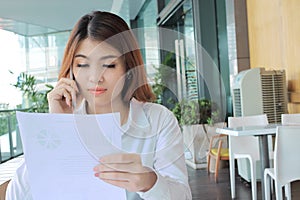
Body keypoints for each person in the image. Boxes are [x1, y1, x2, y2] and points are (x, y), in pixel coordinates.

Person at [5, 11, 192, 200]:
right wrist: (58, 126)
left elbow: (183, 196)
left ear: (128, 68)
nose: (95, 77)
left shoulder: (158, 120)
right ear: (71, 70)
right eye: (82, 65)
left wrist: (150, 183)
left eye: (109, 65)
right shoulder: (63, 122)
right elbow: (15, 196)